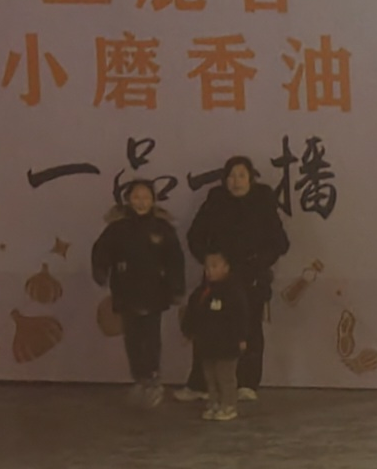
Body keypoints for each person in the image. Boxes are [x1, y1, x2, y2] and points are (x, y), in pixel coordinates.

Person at [87, 179, 187, 404]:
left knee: (151, 337)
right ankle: (139, 378)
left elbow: (175, 260)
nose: (141, 202)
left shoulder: (163, 228)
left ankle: (153, 378)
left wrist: (177, 287)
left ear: (153, 200)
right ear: (128, 200)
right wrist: (101, 272)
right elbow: (101, 252)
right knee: (132, 337)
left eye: (146, 197)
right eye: (136, 197)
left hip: (154, 291)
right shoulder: (117, 228)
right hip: (126, 290)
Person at [176, 251, 255, 420]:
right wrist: (188, 332)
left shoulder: (234, 291)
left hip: (227, 344)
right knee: (210, 377)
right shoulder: (202, 292)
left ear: (226, 268)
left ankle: (229, 405)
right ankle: (214, 403)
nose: (209, 271)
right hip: (207, 344)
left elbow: (241, 316)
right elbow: (193, 314)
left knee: (225, 377)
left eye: (214, 266)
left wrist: (241, 338)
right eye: (207, 267)